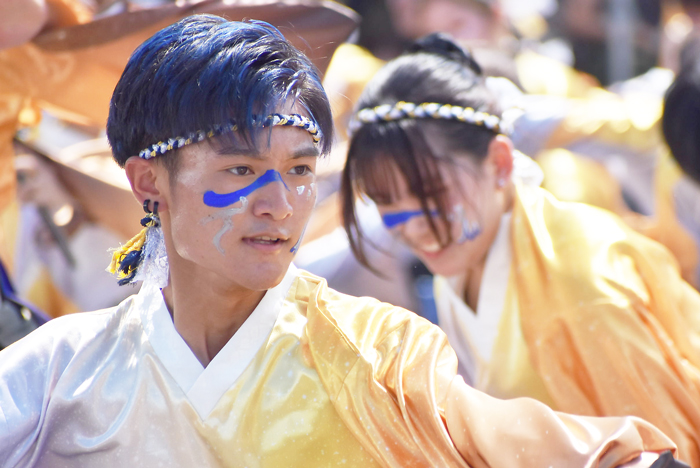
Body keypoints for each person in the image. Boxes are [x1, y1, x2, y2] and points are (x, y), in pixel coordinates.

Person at [0, 15, 683, 468]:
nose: (281, 204)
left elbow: (554, 448)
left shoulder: (377, 357)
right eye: (240, 169)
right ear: (149, 179)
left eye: (301, 169)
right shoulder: (61, 373)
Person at [341, 33, 700, 466]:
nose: (412, 225)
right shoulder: (464, 253)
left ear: (500, 162)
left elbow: (669, 451)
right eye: (385, 201)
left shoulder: (586, 279)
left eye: (431, 192)